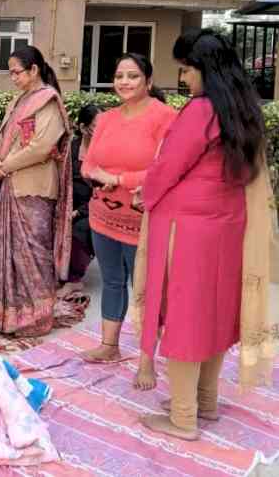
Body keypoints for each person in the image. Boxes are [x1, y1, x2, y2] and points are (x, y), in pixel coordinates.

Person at [132, 29, 276, 440]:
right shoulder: (245, 109)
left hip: (188, 228)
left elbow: (169, 165)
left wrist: (148, 194)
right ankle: (205, 402)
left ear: (205, 70)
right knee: (214, 313)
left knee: (184, 319)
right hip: (227, 223)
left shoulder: (200, 110)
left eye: (187, 69)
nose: (184, 79)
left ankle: (183, 418)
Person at [80, 53, 177, 361]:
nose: (124, 82)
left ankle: (148, 358)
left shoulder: (166, 118)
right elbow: (89, 163)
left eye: (133, 76)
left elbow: (170, 167)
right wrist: (101, 177)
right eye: (120, 75)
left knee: (146, 289)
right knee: (112, 280)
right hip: (103, 215)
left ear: (148, 81)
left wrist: (119, 177)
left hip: (144, 220)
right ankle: (109, 346)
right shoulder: (107, 119)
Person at [0, 46, 74, 337]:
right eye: (11, 72)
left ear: (34, 70)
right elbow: (0, 135)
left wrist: (2, 167)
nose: (14, 78)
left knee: (32, 252)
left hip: (34, 185)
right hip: (9, 183)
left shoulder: (48, 102)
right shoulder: (18, 100)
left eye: (17, 72)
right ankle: (1, 314)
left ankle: (34, 317)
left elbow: (41, 148)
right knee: (5, 249)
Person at [57, 104, 101, 297]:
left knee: (80, 228)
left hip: (95, 206)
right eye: (97, 126)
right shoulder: (70, 149)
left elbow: (103, 191)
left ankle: (74, 280)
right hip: (66, 203)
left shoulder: (106, 152)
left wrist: (79, 211)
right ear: (83, 128)